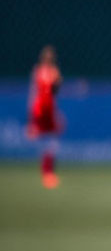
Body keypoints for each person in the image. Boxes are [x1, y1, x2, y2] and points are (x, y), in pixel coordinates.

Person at [26, 45, 64, 188]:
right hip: (40, 110)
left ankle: (49, 172)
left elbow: (55, 94)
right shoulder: (37, 72)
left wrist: (58, 82)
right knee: (42, 142)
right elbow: (33, 93)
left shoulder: (55, 72)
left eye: (51, 57)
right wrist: (31, 120)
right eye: (46, 56)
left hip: (50, 110)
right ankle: (45, 172)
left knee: (53, 142)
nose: (48, 59)